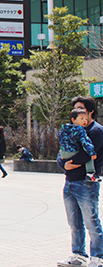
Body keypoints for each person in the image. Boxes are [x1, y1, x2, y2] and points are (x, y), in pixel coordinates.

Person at [57, 96, 103, 267]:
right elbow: (62, 150)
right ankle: (78, 255)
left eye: (81, 109)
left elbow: (88, 154)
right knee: (74, 221)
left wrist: (70, 164)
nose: (77, 112)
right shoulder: (71, 129)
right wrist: (63, 164)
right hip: (70, 181)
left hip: (86, 183)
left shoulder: (96, 131)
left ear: (90, 112)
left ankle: (98, 257)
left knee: (91, 220)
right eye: (75, 109)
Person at [59, 109, 99, 182]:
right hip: (73, 152)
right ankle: (90, 174)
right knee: (89, 156)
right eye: (82, 118)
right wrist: (92, 153)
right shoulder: (80, 130)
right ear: (73, 119)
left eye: (86, 119)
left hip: (63, 152)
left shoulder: (64, 128)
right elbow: (85, 142)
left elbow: (61, 140)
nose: (85, 121)